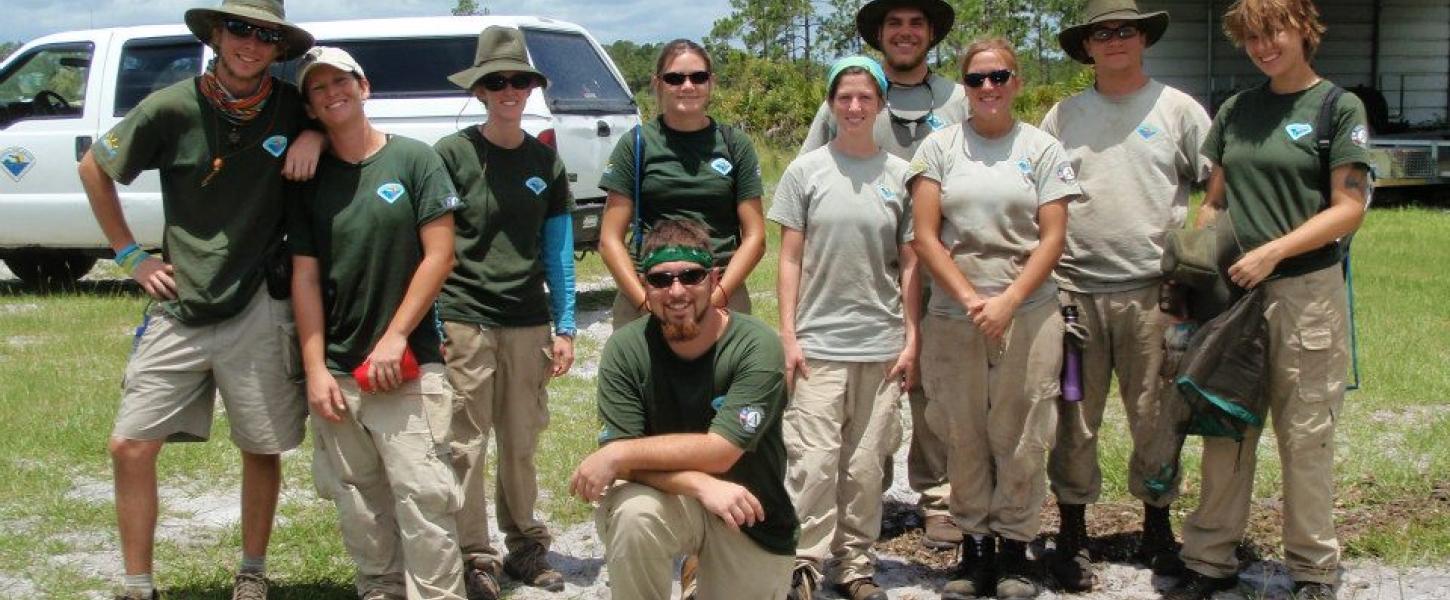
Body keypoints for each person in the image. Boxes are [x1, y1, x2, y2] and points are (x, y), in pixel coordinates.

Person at [75, 1, 322, 598]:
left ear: (279, 49)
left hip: (260, 299)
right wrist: (132, 257)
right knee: (129, 445)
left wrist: (314, 131)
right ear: (216, 34)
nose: (250, 43)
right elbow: (93, 166)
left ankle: (252, 574)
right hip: (179, 303)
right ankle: (138, 584)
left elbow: (346, 116)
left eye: (266, 35)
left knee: (261, 446)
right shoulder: (171, 105)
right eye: (240, 28)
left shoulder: (292, 108)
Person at [1165, 0, 1371, 598]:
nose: (1262, 46)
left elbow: (1349, 208)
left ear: (1303, 28)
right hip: (1233, 293)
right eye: (1251, 37)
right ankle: (1209, 558)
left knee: (1305, 433)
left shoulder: (1338, 107)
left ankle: (1311, 569)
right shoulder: (1237, 109)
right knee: (1227, 424)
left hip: (1305, 292)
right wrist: (1199, 262)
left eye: (1273, 31)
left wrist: (1274, 252)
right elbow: (1216, 200)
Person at [1038, 0, 1212, 591]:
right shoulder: (1062, 116)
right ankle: (1071, 530)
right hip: (1075, 290)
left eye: (1126, 30)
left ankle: (1157, 527)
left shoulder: (1178, 110)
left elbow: (1216, 183)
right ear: (1087, 47)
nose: (1115, 40)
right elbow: (1036, 195)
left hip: (1153, 294)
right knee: (1073, 418)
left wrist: (1195, 261)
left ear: (1143, 39)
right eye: (1102, 32)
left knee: (1155, 414)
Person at [287, 46, 466, 600]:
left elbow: (440, 255)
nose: (331, 93)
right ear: (310, 106)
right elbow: (305, 278)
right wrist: (316, 370)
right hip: (339, 370)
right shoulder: (306, 177)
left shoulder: (414, 160)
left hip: (408, 364)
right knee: (358, 497)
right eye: (318, 88)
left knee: (423, 495)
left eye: (340, 81)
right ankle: (380, 588)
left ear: (364, 87)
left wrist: (393, 338)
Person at [908, 38, 1079, 600]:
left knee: (1024, 431)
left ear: (1017, 82)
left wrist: (1007, 302)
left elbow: (1053, 237)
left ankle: (1015, 547)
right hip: (954, 316)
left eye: (999, 76)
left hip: (1028, 311)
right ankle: (974, 545)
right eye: (977, 79)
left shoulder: (1043, 149)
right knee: (962, 430)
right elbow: (926, 236)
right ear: (966, 86)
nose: (989, 88)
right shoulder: (938, 148)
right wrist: (968, 297)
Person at [800, 0, 968, 549]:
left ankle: (938, 496)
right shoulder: (852, 92)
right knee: (877, 391)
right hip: (868, 271)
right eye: (893, 23)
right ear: (879, 33)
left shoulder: (957, 98)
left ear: (930, 34)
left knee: (932, 386)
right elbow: (810, 180)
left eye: (915, 23)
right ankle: (872, 497)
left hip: (943, 265)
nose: (904, 32)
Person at [569, 219, 799, 600]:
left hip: (749, 514)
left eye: (691, 276)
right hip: (671, 501)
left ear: (714, 278)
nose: (676, 292)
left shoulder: (756, 346)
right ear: (644, 285)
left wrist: (616, 452)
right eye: (661, 280)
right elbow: (625, 470)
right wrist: (697, 484)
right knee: (633, 515)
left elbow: (722, 451)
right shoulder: (625, 350)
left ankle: (701, 573)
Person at [434, 25, 577, 599]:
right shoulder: (451, 155)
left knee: (520, 443)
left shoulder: (547, 162)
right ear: (481, 91)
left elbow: (559, 251)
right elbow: (432, 244)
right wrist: (437, 322)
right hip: (466, 317)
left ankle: (524, 547)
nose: (509, 90)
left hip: (527, 322)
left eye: (519, 80)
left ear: (530, 88)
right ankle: (474, 555)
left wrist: (565, 325)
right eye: (497, 81)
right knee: (465, 444)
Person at [771, 56, 918, 600]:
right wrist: (788, 334)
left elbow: (910, 264)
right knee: (812, 462)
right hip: (818, 344)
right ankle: (802, 564)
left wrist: (912, 338)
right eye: (844, 97)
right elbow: (788, 259)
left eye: (865, 97)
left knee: (864, 467)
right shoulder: (805, 171)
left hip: (880, 346)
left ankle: (855, 566)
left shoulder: (902, 177)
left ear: (880, 104)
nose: (854, 107)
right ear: (831, 103)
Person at [597, 40, 765, 327]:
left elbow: (755, 237)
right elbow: (609, 239)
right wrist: (644, 302)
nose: (688, 86)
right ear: (658, 83)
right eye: (675, 78)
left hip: (719, 287)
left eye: (698, 77)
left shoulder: (734, 144)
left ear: (711, 82)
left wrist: (716, 298)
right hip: (652, 286)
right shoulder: (636, 144)